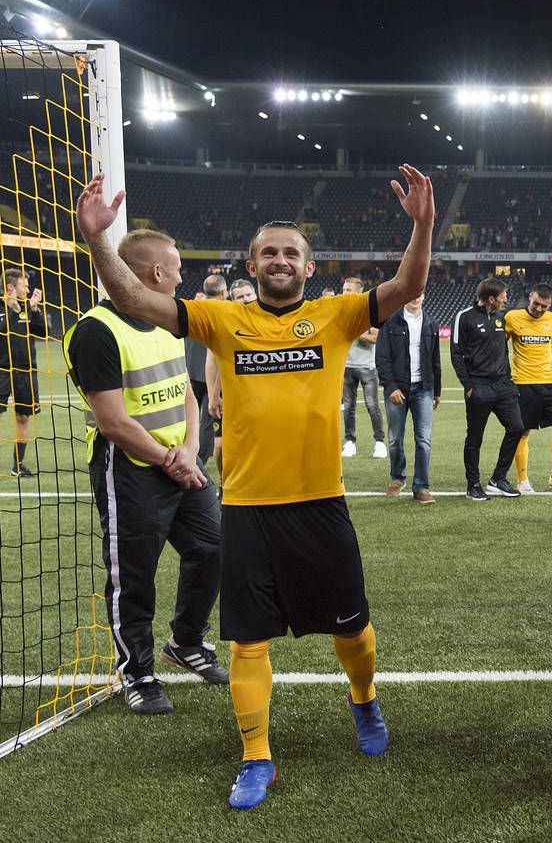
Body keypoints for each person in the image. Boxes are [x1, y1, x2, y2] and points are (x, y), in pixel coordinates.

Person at [75, 161, 435, 811]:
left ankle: (365, 703)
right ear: (252, 263)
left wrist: (424, 223)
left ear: (308, 264)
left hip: (321, 505)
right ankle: (256, 756)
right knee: (247, 639)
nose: (279, 259)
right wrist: (100, 239)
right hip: (245, 509)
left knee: (353, 630)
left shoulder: (337, 314)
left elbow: (410, 281)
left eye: (290, 251)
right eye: (268, 251)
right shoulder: (220, 319)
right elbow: (132, 298)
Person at [63, 230, 225, 715]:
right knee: (134, 575)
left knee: (214, 546)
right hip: (130, 469)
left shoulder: (167, 322)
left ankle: (186, 642)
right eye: (175, 266)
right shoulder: (96, 331)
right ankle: (137, 671)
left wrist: (190, 450)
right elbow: (112, 421)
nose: (180, 274)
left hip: (182, 461)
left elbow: (187, 395)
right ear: (156, 273)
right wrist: (169, 459)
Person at [451, 278, 525, 501]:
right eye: (503, 295)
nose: (506, 299)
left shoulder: (501, 317)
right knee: (475, 438)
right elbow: (456, 354)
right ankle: (473, 484)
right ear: (491, 298)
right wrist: (469, 386)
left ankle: (498, 478)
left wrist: (508, 380)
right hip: (479, 387)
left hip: (503, 386)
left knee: (517, 427)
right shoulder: (464, 317)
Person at [506, 282, 552, 493]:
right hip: (522, 382)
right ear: (530, 297)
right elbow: (500, 347)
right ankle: (523, 479)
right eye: (536, 304)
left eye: (544, 306)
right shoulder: (512, 317)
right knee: (522, 430)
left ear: (550, 305)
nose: (539, 309)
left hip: (548, 382)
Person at [375, 292, 441, 504]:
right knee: (395, 438)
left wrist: (436, 390)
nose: (415, 298)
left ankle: (421, 487)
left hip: (424, 389)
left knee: (424, 439)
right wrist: (391, 387)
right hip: (397, 390)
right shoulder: (391, 321)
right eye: (411, 294)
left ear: (424, 297)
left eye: (419, 294)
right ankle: (397, 478)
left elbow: (435, 360)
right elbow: (382, 357)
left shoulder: (431, 323)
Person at [206, 279, 256, 485]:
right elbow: (212, 360)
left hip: (255, 393)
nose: (245, 300)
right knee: (219, 447)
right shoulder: (226, 320)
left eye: (248, 295)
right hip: (229, 392)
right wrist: (213, 394)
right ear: (232, 299)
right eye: (240, 297)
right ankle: (224, 484)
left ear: (255, 294)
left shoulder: (267, 319)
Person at [2, 267, 49, 477]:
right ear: (11, 287)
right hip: (1, 371)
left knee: (23, 418)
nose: (28, 289)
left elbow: (42, 332)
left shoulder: (27, 308)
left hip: (26, 371)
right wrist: (11, 311)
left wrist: (36, 310)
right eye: (25, 285)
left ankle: (18, 466)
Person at [340, 277, 387, 460]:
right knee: (349, 407)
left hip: (367, 367)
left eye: (348, 290)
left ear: (358, 292)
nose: (344, 293)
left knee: (372, 405)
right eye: (344, 289)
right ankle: (350, 442)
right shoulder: (341, 311)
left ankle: (379, 443)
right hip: (347, 366)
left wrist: (355, 331)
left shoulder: (370, 312)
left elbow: (376, 337)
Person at [185, 273, 226, 464]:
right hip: (210, 376)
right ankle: (198, 461)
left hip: (190, 372)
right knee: (208, 425)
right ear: (224, 292)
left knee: (188, 418)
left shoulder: (192, 308)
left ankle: (185, 454)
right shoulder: (227, 311)